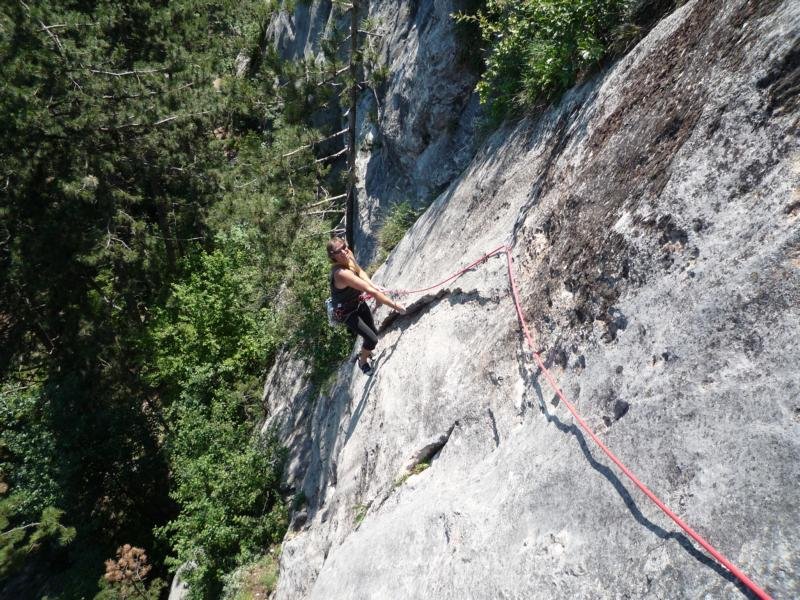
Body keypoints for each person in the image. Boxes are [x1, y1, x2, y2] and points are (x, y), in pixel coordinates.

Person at [327, 237, 406, 374]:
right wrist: (395, 305)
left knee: (373, 332)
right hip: (347, 312)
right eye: (339, 251)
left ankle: (365, 351)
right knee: (372, 339)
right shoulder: (341, 274)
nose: (344, 252)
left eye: (344, 247)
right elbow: (370, 291)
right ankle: (362, 361)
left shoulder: (348, 254)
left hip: (358, 302)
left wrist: (373, 285)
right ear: (332, 256)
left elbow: (360, 271)